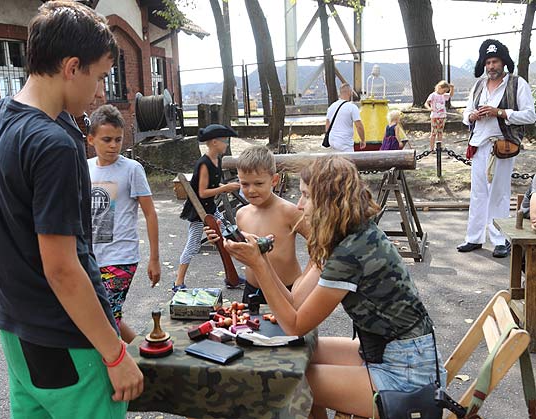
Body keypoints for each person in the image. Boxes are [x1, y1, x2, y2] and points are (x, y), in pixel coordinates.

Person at [0, 2, 143, 417]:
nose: (101, 91)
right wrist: (115, 354)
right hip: (68, 338)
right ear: (71, 66)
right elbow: (63, 269)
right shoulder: (54, 144)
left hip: (15, 331)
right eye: (100, 77)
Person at [225, 155, 445, 418]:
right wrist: (261, 258)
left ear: (329, 201)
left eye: (306, 196)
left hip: (408, 372)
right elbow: (295, 299)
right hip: (392, 351)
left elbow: (295, 325)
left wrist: (258, 267)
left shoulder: (351, 252)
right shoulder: (346, 235)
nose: (298, 205)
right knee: (296, 353)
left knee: (288, 381)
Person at [87, 104, 161, 344]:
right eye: (106, 139)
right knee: (106, 315)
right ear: (91, 139)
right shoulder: (83, 168)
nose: (113, 145)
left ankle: (124, 368)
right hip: (91, 257)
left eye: (118, 140)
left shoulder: (132, 169)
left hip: (121, 257)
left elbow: (150, 213)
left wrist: (154, 258)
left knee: (107, 319)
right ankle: (144, 353)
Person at [457, 39, 536, 258]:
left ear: (503, 62)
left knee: (499, 194)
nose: (491, 66)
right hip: (478, 145)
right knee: (478, 194)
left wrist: (500, 112)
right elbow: (466, 114)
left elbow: (530, 115)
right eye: (488, 62)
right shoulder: (479, 85)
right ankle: (473, 238)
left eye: (495, 61)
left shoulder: (516, 83)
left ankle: (500, 240)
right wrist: (472, 116)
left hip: (502, 146)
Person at [224, 145, 311, 303]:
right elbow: (244, 252)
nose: (251, 190)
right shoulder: (241, 214)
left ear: (274, 180)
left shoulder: (289, 211)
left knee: (288, 328)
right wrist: (222, 239)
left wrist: (306, 280)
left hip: (286, 290)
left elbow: (319, 244)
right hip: (252, 290)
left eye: (258, 184)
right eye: (245, 184)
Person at [174, 124, 241, 292]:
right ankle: (178, 282)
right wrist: (225, 188)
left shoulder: (217, 160)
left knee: (228, 233)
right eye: (224, 141)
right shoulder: (203, 164)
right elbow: (203, 192)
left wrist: (226, 186)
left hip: (211, 207)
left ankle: (231, 276)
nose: (226, 144)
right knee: (193, 244)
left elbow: (213, 184)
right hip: (200, 211)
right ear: (214, 142)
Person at [325, 83, 366, 152]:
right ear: (350, 92)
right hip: (345, 142)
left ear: (340, 93)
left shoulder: (331, 106)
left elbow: (327, 125)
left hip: (332, 141)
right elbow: (359, 126)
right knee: (348, 161)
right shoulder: (352, 107)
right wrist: (362, 140)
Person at [425, 80, 454, 151]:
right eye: (444, 90)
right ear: (439, 87)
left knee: (440, 132)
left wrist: (452, 88)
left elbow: (450, 95)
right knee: (433, 133)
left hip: (442, 116)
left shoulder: (443, 95)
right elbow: (426, 103)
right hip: (435, 116)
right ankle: (432, 148)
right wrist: (429, 108)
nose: (444, 92)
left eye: (446, 91)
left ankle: (439, 147)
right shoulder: (433, 95)